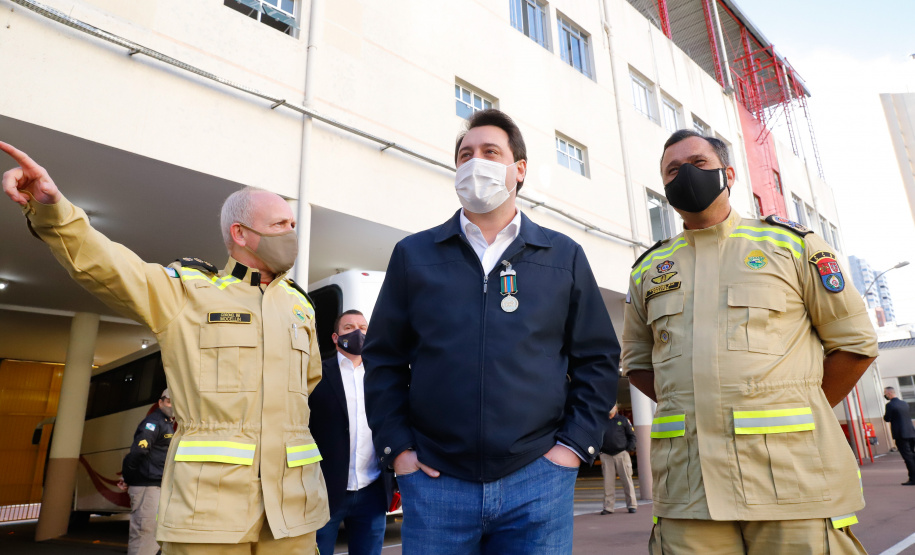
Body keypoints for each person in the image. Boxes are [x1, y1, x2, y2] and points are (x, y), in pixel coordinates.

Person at [1, 141, 328, 554]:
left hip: (294, 511)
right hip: (210, 512)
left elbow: (308, 383)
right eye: (280, 224)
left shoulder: (299, 305)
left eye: (293, 224)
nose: (291, 234)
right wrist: (53, 210)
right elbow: (109, 267)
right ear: (240, 233)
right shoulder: (188, 292)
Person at [363, 109, 620, 555]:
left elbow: (597, 360)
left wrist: (572, 448)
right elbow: (383, 358)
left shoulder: (562, 256)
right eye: (465, 155)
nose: (474, 162)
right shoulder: (414, 254)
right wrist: (399, 451)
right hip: (436, 481)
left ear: (519, 169)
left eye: (489, 152)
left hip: (538, 479)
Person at [621, 129, 878, 554]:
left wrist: (796, 404)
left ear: (729, 174)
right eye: (672, 170)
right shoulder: (648, 268)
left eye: (698, 163)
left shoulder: (791, 245)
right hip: (688, 489)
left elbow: (854, 343)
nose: (685, 175)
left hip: (791, 482)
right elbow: (638, 364)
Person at [309, 310, 393, 555]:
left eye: (363, 328)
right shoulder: (316, 374)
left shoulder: (381, 375)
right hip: (325, 491)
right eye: (349, 328)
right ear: (335, 337)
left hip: (372, 491)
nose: (357, 332)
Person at [119, 389, 175, 555]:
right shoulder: (153, 422)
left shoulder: (166, 423)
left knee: (152, 537)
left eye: (175, 402)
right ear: (160, 402)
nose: (172, 405)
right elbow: (138, 452)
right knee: (144, 535)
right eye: (169, 401)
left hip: (154, 487)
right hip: (146, 488)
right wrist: (128, 477)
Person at [599, 405, 637, 515]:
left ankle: (632, 505)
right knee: (608, 483)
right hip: (606, 455)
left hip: (622, 454)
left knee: (627, 481)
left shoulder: (623, 420)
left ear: (616, 407)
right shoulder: (600, 421)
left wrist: (628, 449)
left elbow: (632, 436)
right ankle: (608, 507)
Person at [883, 386, 915, 485]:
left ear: (889, 393)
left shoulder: (890, 405)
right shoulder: (904, 403)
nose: (885, 395)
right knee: (912, 455)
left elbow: (887, 418)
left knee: (908, 457)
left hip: (901, 434)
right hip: (911, 432)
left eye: (885, 393)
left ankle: (913, 479)